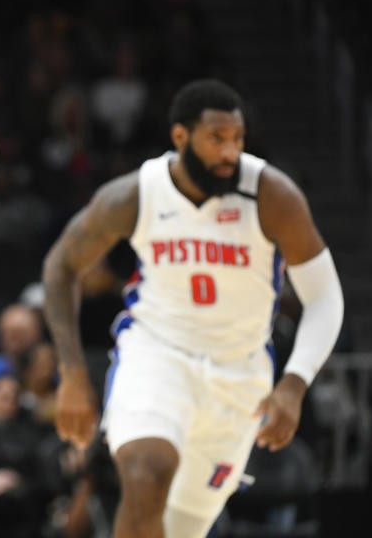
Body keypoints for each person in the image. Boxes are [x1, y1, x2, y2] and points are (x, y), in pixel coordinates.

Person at [41, 79, 344, 538]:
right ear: (181, 138)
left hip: (238, 374)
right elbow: (60, 266)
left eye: (237, 139)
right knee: (146, 472)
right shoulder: (136, 194)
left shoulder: (271, 194)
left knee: (183, 527)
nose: (230, 153)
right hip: (157, 354)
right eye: (217, 139)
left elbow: (325, 296)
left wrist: (295, 383)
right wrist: (73, 373)